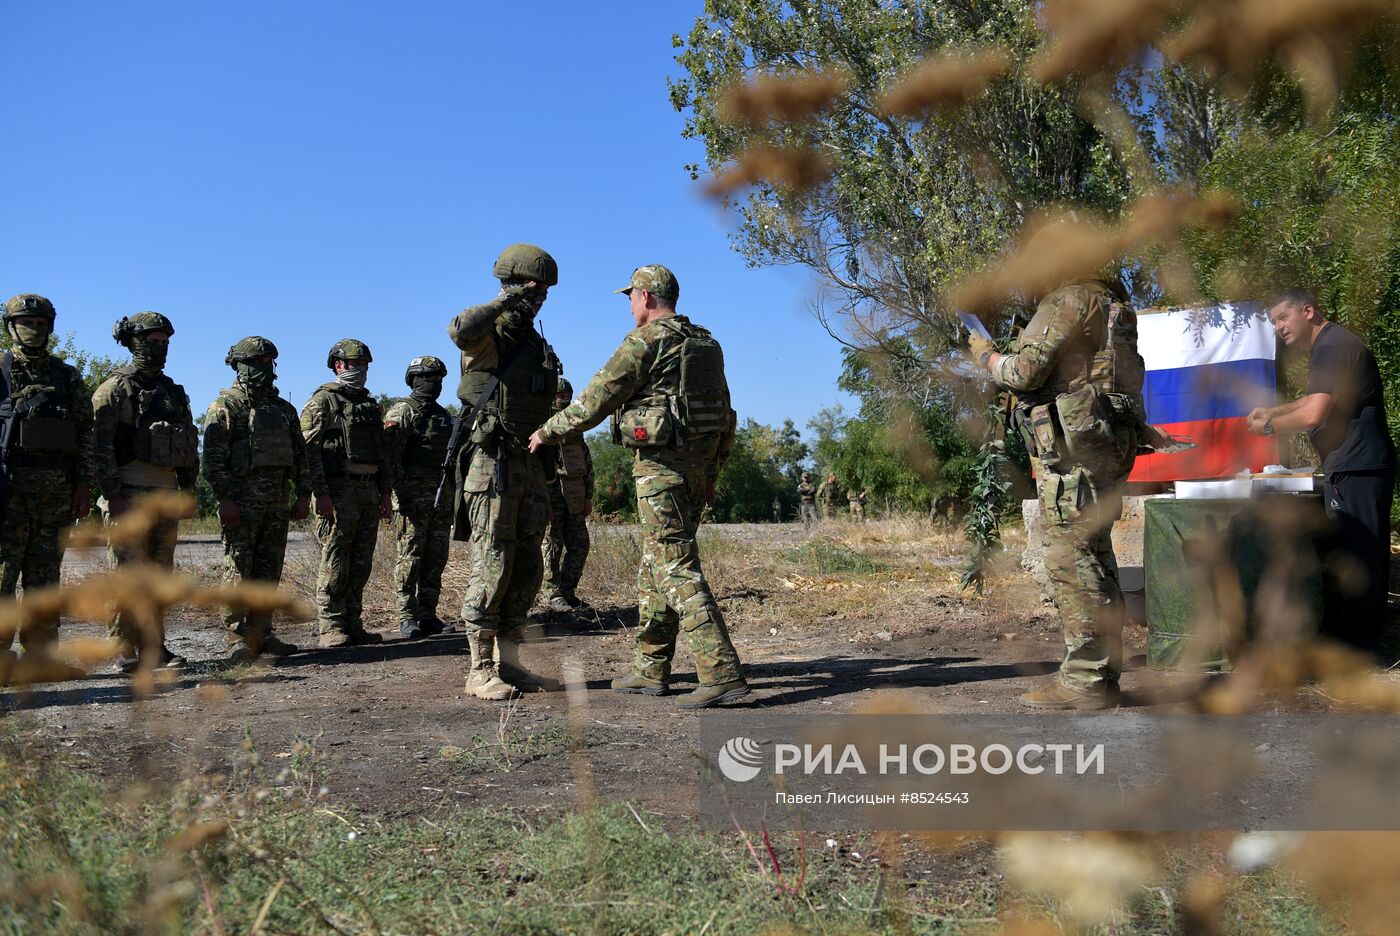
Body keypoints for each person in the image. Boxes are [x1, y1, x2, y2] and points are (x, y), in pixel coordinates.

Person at [528, 263, 749, 709]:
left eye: (631, 297)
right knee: (654, 565)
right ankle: (651, 668)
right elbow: (726, 416)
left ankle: (721, 672)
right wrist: (712, 477)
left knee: (674, 567)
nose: (629, 306)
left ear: (645, 296)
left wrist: (546, 432)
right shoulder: (705, 343)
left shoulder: (647, 341)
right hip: (696, 471)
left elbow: (596, 398)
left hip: (661, 472)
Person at [969, 270, 1146, 710]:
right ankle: (1099, 677)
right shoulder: (1112, 304)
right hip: (1104, 443)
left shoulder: (1070, 298)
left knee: (1071, 558)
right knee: (1097, 559)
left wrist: (986, 356)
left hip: (1073, 454)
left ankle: (1085, 682)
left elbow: (1025, 372)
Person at [1247, 289, 1396, 655]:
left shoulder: (1331, 348)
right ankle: (1361, 642)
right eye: (1273, 323)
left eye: (1283, 318)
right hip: (1360, 466)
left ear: (1308, 311)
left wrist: (1268, 428)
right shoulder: (1334, 344)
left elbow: (1315, 414)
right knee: (1362, 553)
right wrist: (1275, 411)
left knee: (1355, 557)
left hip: (1355, 467)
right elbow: (1316, 400)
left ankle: (1355, 649)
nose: (1278, 328)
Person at [448, 244, 563, 700]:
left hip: (530, 465)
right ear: (510, 282)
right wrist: (507, 299)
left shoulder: (535, 343)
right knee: (492, 564)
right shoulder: (487, 334)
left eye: (545, 292)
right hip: (491, 463)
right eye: (533, 288)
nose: (539, 298)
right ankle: (479, 670)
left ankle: (511, 665)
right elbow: (459, 329)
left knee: (528, 567)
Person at [93, 313, 200, 673]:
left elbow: (186, 445)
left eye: (164, 342)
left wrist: (188, 489)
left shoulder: (173, 392)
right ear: (133, 343)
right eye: (152, 341)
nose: (159, 348)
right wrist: (113, 494)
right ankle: (123, 649)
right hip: (128, 494)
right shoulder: (114, 389)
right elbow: (100, 447)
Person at [202, 337, 312, 661]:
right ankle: (237, 638)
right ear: (238, 365)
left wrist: (303, 495)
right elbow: (213, 460)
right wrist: (225, 499)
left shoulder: (283, 410)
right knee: (238, 570)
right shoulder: (226, 407)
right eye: (255, 362)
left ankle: (262, 634)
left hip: (276, 504)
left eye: (268, 362)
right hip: (241, 504)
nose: (263, 368)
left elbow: (300, 457)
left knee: (268, 570)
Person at [0, 294, 93, 658]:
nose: (34, 329)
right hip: (8, 492)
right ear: (10, 325)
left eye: (41, 324)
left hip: (55, 493)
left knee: (45, 576)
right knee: (3, 574)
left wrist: (83, 485)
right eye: (26, 322)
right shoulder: (1, 371)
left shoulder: (66, 376)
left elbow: (85, 432)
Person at [301, 339, 391, 648]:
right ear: (339, 366)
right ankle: (330, 626)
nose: (362, 369)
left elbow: (382, 453)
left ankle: (353, 623)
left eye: (365, 364)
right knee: (336, 560)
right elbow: (309, 452)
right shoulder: (323, 401)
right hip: (338, 492)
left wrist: (384, 495)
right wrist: (321, 493)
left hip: (368, 491)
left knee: (361, 562)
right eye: (356, 364)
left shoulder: (368, 404)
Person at [383, 355, 456, 639]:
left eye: (439, 379)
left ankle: (428, 614)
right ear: (415, 380)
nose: (435, 384)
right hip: (411, 497)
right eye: (429, 378)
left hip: (439, 497)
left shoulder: (442, 415)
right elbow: (391, 458)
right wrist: (400, 494)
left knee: (436, 558)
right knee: (410, 558)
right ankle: (407, 617)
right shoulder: (402, 411)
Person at [541, 377, 594, 613]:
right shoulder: (542, 425)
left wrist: (588, 496)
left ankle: (567, 591)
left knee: (580, 544)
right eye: (559, 395)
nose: (564, 399)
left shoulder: (575, 427)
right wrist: (542, 500)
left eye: (567, 395)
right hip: (551, 495)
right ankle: (552, 595)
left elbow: (586, 462)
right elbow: (537, 466)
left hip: (574, 494)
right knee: (552, 545)